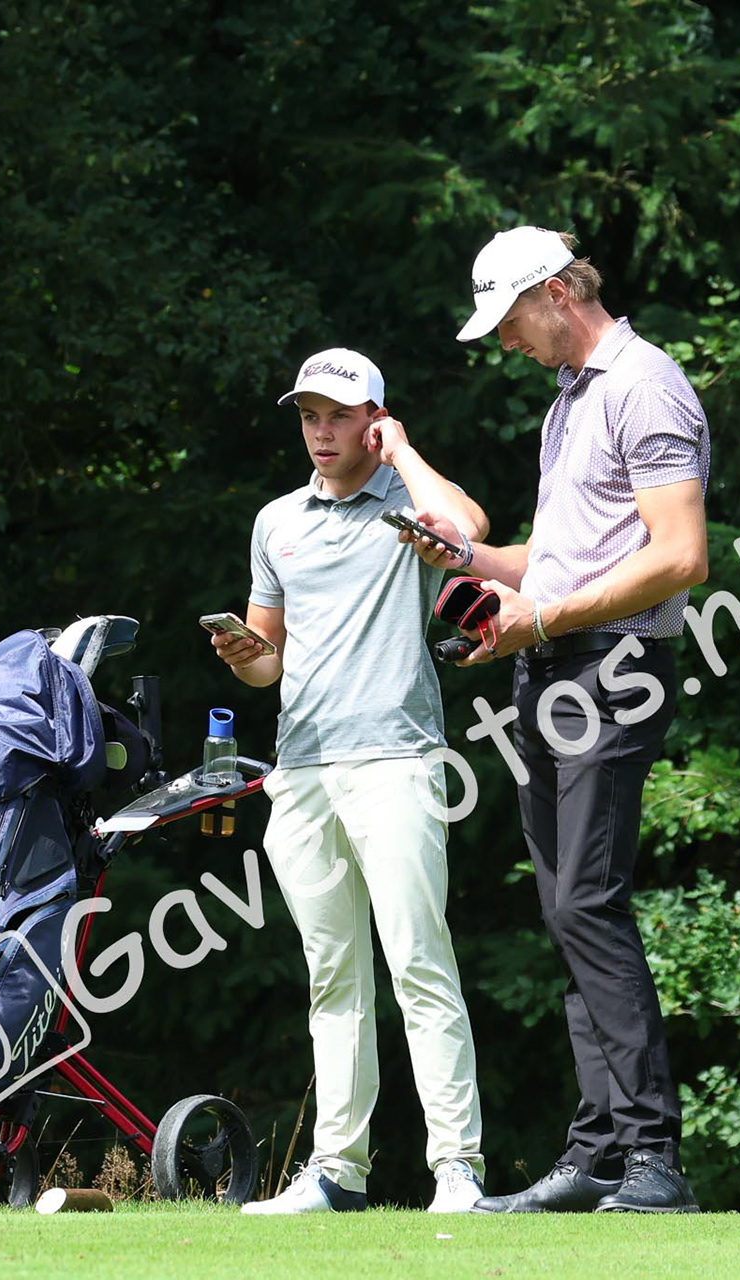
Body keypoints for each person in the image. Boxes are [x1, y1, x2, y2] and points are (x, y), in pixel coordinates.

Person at [412, 227, 709, 1213]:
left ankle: (653, 1158)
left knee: (587, 899)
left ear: (555, 291)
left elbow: (679, 556)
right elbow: (562, 555)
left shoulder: (645, 385)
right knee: (567, 907)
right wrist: (468, 560)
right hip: (551, 666)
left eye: (509, 321)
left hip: (616, 668)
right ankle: (598, 1153)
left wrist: (538, 614)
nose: (505, 344)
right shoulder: (571, 401)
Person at [215, 348, 492, 1214]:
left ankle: (458, 1170)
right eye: (309, 416)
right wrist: (245, 656)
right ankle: (339, 1171)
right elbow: (270, 659)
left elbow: (470, 535)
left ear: (373, 418)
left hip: (397, 760)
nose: (322, 432)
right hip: (300, 771)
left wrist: (403, 450)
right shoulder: (276, 521)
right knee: (332, 976)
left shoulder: (409, 505)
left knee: (418, 962)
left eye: (339, 416)